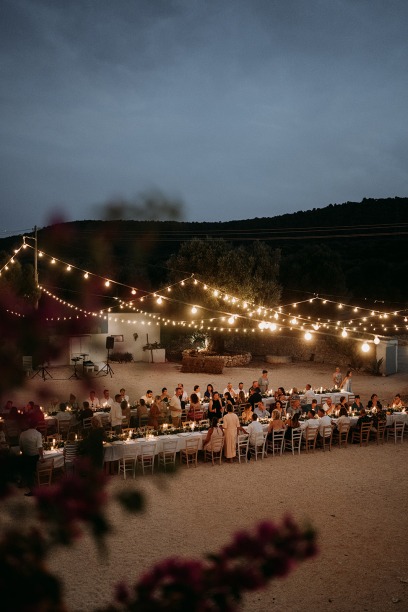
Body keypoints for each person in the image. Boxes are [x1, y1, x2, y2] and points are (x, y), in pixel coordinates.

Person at [19, 418, 44, 496]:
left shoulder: (22, 434)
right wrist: (42, 457)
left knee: (25, 467)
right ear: (36, 425)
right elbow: (40, 447)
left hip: (25, 456)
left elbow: (21, 447)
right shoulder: (38, 434)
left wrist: (25, 452)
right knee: (30, 470)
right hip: (34, 457)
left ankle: (23, 482)